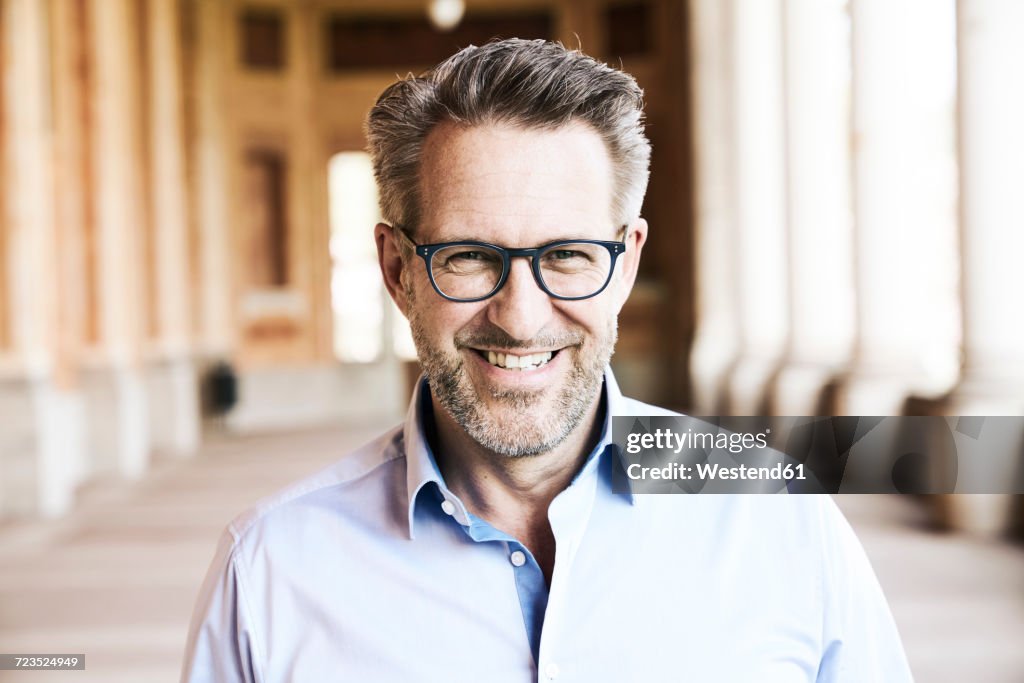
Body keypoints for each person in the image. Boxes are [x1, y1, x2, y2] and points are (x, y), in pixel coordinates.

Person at [181, 39, 912, 682]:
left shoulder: (782, 522)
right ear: (399, 271)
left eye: (566, 255)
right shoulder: (270, 572)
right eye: (469, 257)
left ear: (624, 266)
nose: (521, 317)